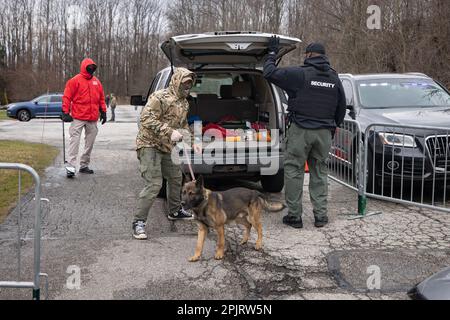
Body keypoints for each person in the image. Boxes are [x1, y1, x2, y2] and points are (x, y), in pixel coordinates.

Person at [263, 38, 346, 229]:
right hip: (324, 132)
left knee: (293, 171)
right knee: (320, 172)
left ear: (308, 55)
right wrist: (331, 127)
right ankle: (321, 216)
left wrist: (272, 54)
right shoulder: (334, 78)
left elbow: (268, 73)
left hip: (301, 129)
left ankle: (294, 216)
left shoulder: (299, 74)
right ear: (324, 57)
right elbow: (341, 108)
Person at [132, 67, 200, 240]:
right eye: (184, 82)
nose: (187, 86)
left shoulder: (184, 102)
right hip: (149, 144)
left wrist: (192, 142)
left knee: (176, 177)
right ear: (177, 81)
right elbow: (146, 119)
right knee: (154, 184)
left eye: (189, 84)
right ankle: (138, 222)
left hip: (168, 147)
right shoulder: (159, 97)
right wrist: (169, 132)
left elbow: (183, 125)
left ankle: (175, 211)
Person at [61, 58, 107, 177]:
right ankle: (71, 167)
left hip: (92, 118)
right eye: (89, 67)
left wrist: (103, 111)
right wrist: (65, 112)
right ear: (84, 67)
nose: (91, 69)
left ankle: (84, 165)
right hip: (78, 117)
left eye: (93, 67)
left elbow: (101, 98)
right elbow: (67, 96)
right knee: (74, 141)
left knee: (90, 142)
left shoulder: (97, 82)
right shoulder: (75, 81)